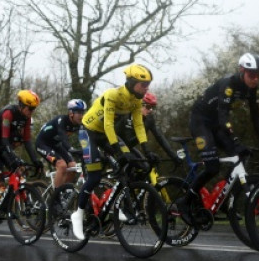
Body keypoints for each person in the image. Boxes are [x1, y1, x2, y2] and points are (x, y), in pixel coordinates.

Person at [177, 53, 259, 225]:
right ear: (242, 70)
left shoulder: (251, 88)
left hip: (216, 123)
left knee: (239, 157)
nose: (255, 79)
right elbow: (223, 116)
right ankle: (184, 203)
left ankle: (222, 200)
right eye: (252, 75)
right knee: (213, 166)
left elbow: (256, 117)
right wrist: (236, 141)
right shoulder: (228, 84)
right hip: (201, 122)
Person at [72, 64, 154, 238]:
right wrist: (118, 150)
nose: (146, 88)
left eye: (148, 84)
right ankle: (78, 214)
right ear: (131, 82)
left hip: (105, 134)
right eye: (143, 84)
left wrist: (147, 150)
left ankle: (118, 205)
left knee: (130, 162)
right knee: (94, 176)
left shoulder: (136, 100)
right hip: (88, 132)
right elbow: (108, 124)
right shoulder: (113, 95)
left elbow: (139, 125)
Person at [0, 90, 43, 226]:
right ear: (21, 105)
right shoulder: (8, 113)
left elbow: (27, 141)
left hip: (2, 145)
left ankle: (1, 206)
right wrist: (13, 157)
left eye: (34, 109)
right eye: (30, 109)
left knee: (18, 172)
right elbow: (5, 138)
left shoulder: (27, 118)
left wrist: (36, 161)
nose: (32, 112)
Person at [118, 92, 182, 167]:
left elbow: (160, 138)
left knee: (145, 167)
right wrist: (147, 152)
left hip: (128, 146)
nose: (151, 110)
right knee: (131, 164)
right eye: (148, 107)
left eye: (153, 107)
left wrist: (173, 156)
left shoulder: (149, 119)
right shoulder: (127, 114)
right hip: (114, 144)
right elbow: (130, 138)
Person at [35, 99, 86, 189]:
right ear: (71, 113)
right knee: (61, 165)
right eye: (78, 112)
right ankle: (55, 198)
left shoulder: (79, 124)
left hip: (56, 145)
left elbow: (86, 138)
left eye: (82, 112)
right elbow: (63, 138)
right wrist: (71, 149)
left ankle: (63, 193)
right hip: (43, 144)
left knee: (73, 167)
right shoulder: (61, 120)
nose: (81, 116)